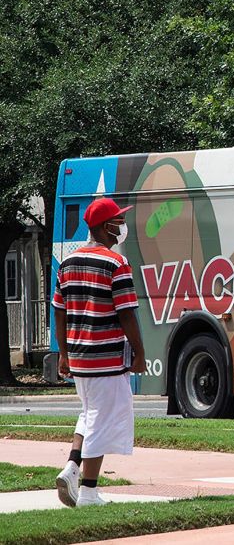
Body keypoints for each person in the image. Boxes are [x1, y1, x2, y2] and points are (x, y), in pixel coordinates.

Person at [52, 197, 145, 507]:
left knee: (90, 414)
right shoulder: (116, 264)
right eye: (118, 220)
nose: (122, 226)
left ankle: (72, 468)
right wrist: (140, 353)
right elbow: (127, 314)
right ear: (107, 227)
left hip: (79, 357)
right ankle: (89, 492)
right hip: (106, 356)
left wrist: (64, 354)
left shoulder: (66, 263)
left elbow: (59, 311)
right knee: (102, 422)